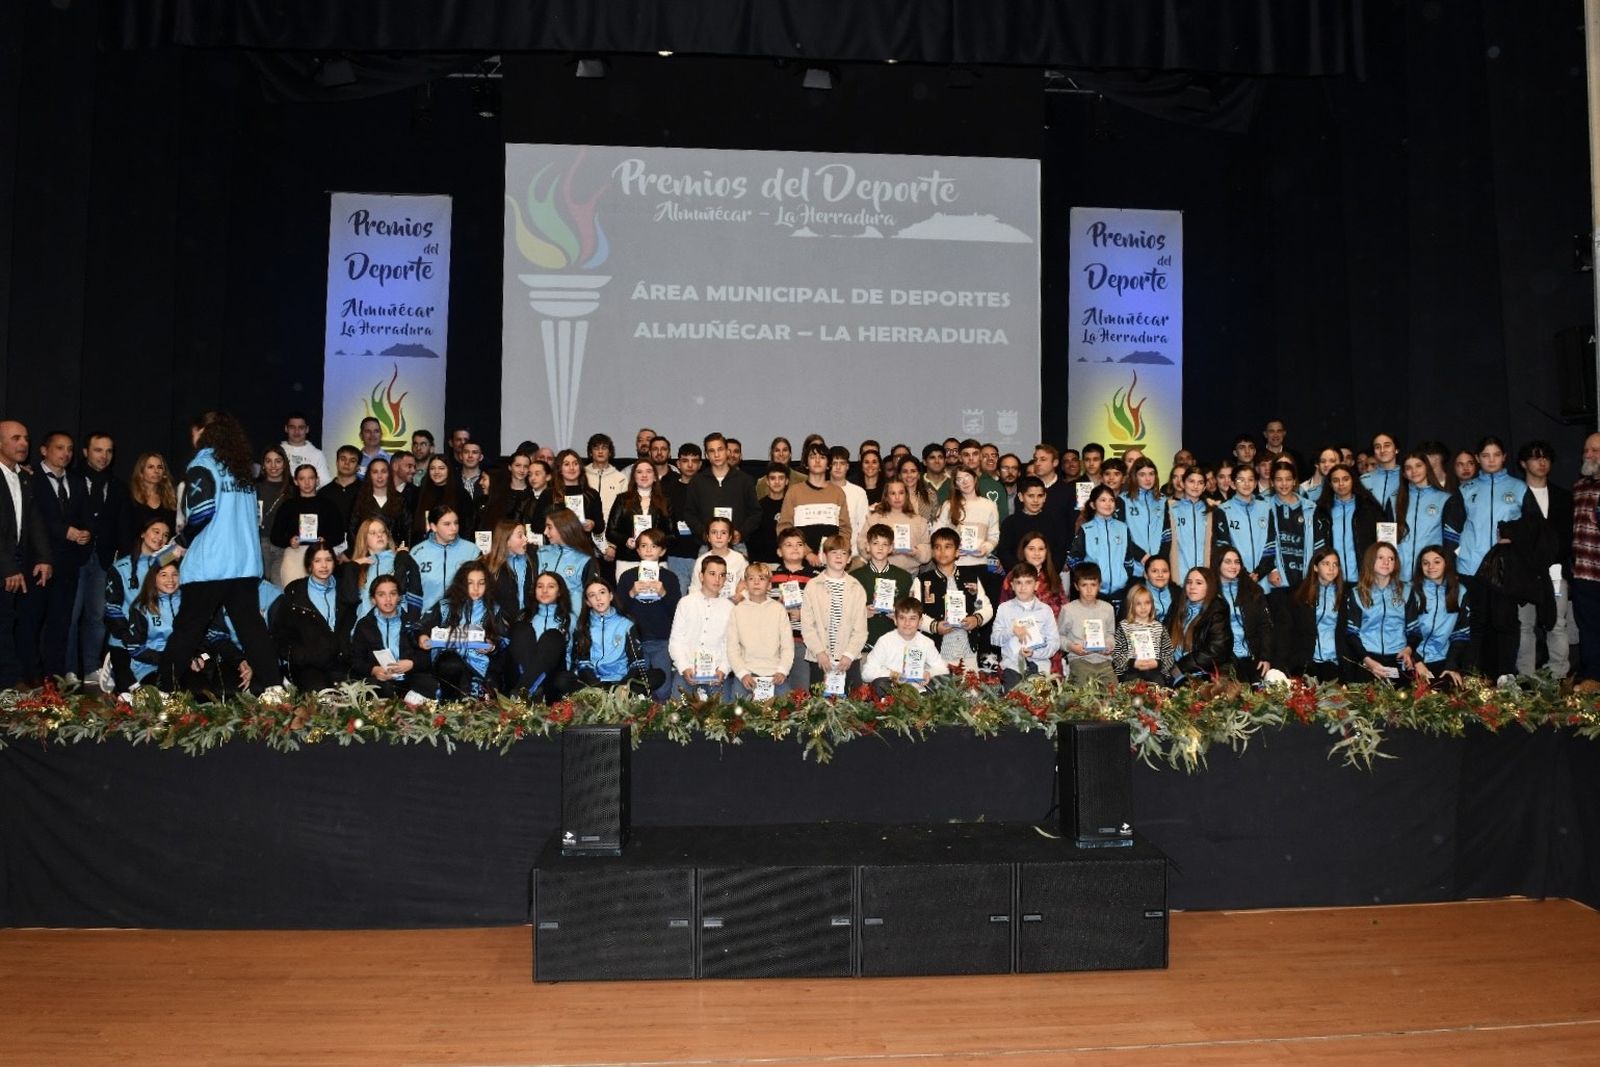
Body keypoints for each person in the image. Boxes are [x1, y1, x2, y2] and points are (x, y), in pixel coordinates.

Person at [156, 412, 281, 694]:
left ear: (204, 433)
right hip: (244, 565)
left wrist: (181, 541)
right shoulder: (241, 469)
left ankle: (163, 692)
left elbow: (201, 512)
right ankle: (275, 688)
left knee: (188, 630)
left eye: (195, 434)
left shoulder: (202, 463)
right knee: (252, 630)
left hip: (210, 564)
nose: (193, 440)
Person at [25, 430, 90, 680]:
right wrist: (65, 531)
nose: (66, 453)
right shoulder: (29, 477)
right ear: (44, 450)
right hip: (37, 561)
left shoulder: (76, 481)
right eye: (59, 448)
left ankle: (55, 677)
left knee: (61, 622)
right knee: (32, 621)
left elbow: (86, 515)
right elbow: (33, 518)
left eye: (70, 449)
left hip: (69, 563)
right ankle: (30, 675)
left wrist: (86, 533)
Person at [0, 420, 53, 688]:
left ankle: (10, 682)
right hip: (5, 565)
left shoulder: (24, 476)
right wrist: (7, 567)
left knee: (12, 623)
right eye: (16, 438)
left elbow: (34, 521)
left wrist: (44, 557)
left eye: (26, 438)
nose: (23, 444)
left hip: (18, 564)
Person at [1515, 440, 1572, 678]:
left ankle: (1558, 675)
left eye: (1546, 457)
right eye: (1536, 457)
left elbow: (1568, 534)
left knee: (1558, 623)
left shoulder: (1563, 495)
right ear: (1523, 463)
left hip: (1556, 570)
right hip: (1525, 571)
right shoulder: (1515, 494)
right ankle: (1524, 676)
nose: (1541, 462)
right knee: (1524, 626)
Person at [417, 560, 509, 698]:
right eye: (470, 583)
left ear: (487, 585)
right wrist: (422, 636)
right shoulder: (444, 607)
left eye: (481, 583)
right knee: (451, 663)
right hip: (448, 667)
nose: (476, 588)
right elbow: (420, 627)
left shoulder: (494, 610)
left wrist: (492, 647)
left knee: (493, 683)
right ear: (461, 583)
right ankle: (454, 701)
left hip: (481, 668)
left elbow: (504, 640)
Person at [69, 431, 120, 681]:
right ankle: (68, 670)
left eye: (109, 451)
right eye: (98, 450)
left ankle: (91, 668)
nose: (104, 456)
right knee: (71, 614)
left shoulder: (116, 484)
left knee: (97, 616)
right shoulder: (71, 479)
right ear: (86, 452)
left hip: (103, 558)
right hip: (74, 557)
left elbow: (121, 524)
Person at [273, 544, 351, 691]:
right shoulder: (295, 592)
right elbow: (280, 634)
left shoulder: (345, 590)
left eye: (328, 560)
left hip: (339, 664)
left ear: (334, 563)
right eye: (317, 561)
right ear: (309, 565)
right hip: (306, 666)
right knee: (319, 698)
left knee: (347, 698)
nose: (324, 565)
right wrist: (300, 656)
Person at [616, 527, 681, 700]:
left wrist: (663, 593)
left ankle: (661, 720)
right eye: (643, 545)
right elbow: (618, 610)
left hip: (662, 640)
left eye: (654, 546)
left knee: (663, 688)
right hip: (636, 641)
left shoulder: (669, 578)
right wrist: (631, 593)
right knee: (637, 689)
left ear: (663, 550)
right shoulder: (627, 577)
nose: (648, 550)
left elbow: (678, 611)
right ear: (637, 550)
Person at [919, 527, 992, 674]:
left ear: (957, 551)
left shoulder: (971, 577)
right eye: (937, 547)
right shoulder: (922, 580)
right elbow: (915, 614)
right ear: (932, 552)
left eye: (948, 547)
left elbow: (986, 607)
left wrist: (976, 619)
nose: (942, 551)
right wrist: (934, 626)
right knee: (939, 695)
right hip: (937, 652)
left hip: (967, 651)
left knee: (971, 694)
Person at [800, 534, 869, 692]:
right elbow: (807, 626)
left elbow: (860, 630)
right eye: (833, 552)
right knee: (819, 709)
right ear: (824, 557)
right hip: (820, 659)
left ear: (849, 558)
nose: (839, 557)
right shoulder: (812, 586)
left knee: (852, 708)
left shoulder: (856, 588)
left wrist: (849, 654)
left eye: (843, 553)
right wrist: (819, 652)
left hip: (848, 660)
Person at [571, 576, 659, 695]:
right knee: (563, 679)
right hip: (594, 682)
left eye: (602, 592)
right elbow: (583, 663)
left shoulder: (626, 624)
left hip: (621, 680)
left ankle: (618, 695)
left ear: (610, 596)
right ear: (588, 602)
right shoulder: (582, 625)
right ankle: (604, 696)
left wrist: (623, 685)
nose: (598, 598)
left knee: (657, 675)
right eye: (592, 595)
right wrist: (596, 686)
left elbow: (636, 662)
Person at [349, 574, 433, 698]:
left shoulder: (413, 623)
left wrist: (411, 664)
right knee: (379, 689)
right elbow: (356, 661)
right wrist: (374, 670)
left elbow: (428, 657)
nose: (388, 599)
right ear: (373, 599)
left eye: (393, 594)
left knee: (430, 686)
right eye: (381, 595)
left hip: (409, 678)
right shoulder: (364, 625)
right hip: (380, 681)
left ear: (399, 597)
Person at [1342, 542, 1414, 683]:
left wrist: (1408, 650)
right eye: (1380, 557)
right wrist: (1367, 660)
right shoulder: (1357, 593)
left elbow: (1415, 630)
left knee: (1401, 703)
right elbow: (1351, 633)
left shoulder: (1406, 591)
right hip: (1368, 658)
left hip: (1398, 658)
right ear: (1371, 560)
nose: (1386, 562)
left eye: (1391, 558)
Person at [668, 554, 734, 698]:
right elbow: (676, 641)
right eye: (712, 574)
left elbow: (730, 645)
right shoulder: (685, 603)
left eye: (722, 575)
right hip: (688, 670)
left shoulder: (730, 608)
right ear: (701, 576)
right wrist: (684, 667)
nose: (718, 579)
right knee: (677, 716)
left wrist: (723, 669)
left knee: (723, 717)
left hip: (717, 674)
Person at [684, 432, 760, 556]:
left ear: (727, 452)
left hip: (737, 546)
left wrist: (741, 532)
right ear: (706, 455)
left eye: (720, 449)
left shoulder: (744, 480)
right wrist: (705, 533)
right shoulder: (697, 481)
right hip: (707, 547)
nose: (717, 454)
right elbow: (689, 513)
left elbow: (756, 513)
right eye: (712, 451)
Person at [1409, 546, 1473, 690]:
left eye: (1437, 562)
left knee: (1453, 694)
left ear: (1446, 564)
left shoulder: (1460, 591)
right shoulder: (1411, 591)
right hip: (1412, 658)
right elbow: (1402, 631)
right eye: (1425, 563)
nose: (1431, 567)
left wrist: (1451, 665)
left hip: (1441, 658)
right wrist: (1416, 661)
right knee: (1414, 696)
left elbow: (1460, 633)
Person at [270, 464, 346, 586]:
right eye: (302, 478)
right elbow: (275, 536)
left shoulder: (328, 505)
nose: (307, 482)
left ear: (317, 480)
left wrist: (326, 541)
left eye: (311, 478)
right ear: (295, 481)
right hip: (295, 554)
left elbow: (339, 535)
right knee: (293, 593)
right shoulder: (288, 506)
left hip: (321, 554)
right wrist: (289, 541)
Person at [726, 562, 794, 699]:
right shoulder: (737, 611)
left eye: (761, 579)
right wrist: (742, 673)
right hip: (747, 674)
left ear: (769, 585)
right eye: (751, 579)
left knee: (791, 711)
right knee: (735, 714)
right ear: (745, 584)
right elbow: (732, 648)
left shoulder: (779, 609)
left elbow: (788, 647)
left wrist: (782, 671)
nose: (756, 582)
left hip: (775, 674)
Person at [851, 522, 921, 654]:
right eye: (875, 543)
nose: (880, 548)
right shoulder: (854, 578)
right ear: (867, 546)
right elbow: (846, 613)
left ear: (891, 548)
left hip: (895, 645)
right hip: (863, 645)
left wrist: (899, 614)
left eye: (885, 544)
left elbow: (912, 612)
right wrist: (862, 613)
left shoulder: (904, 577)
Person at [778, 443, 850, 567]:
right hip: (799, 562)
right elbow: (784, 528)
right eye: (812, 457)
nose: (817, 460)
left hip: (831, 563)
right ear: (806, 463)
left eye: (822, 457)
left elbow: (845, 530)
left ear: (828, 465)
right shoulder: (794, 492)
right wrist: (807, 553)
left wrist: (835, 554)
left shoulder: (838, 493)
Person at [339, 517, 418, 627]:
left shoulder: (401, 561)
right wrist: (352, 566)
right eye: (373, 533)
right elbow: (349, 598)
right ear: (364, 539)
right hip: (366, 632)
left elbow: (404, 591)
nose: (380, 535)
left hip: (396, 628)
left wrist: (402, 560)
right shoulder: (357, 567)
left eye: (382, 532)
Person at [1067, 485, 1135, 614]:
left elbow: (1128, 559)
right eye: (1103, 500)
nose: (1108, 504)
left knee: (1115, 631)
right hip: (1094, 593)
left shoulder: (1123, 528)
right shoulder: (1086, 529)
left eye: (1111, 500)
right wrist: (1088, 579)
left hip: (1119, 592)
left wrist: (1124, 576)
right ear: (1093, 504)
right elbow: (1073, 559)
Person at [117, 560, 183, 691]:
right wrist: (166, 659)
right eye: (163, 575)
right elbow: (135, 648)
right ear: (154, 578)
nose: (170, 579)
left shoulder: (187, 603)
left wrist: (198, 656)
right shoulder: (142, 608)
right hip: (149, 666)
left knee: (199, 692)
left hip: (181, 664)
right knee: (167, 693)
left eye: (175, 574)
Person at [862, 596, 950, 693]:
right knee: (879, 683)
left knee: (945, 680)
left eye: (912, 618)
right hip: (894, 693)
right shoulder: (884, 641)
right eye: (902, 618)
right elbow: (866, 673)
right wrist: (893, 674)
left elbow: (943, 669)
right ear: (895, 620)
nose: (907, 623)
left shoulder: (926, 642)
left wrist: (928, 673)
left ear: (920, 622)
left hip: (921, 693)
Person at [509, 571, 574, 701]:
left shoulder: (570, 619)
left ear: (560, 592)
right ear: (534, 591)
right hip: (521, 674)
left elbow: (571, 654)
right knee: (522, 629)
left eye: (550, 586)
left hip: (551, 676)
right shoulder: (523, 616)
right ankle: (527, 691)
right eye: (540, 586)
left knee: (553, 636)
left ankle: (522, 693)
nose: (544, 590)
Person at [993, 562, 1061, 687]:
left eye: (1028, 582)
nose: (1022, 587)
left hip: (1040, 667)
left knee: (1043, 703)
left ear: (1036, 585)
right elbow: (994, 639)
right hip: (1012, 667)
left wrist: (1034, 653)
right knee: (1013, 703)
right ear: (1012, 585)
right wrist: (1011, 631)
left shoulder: (1045, 610)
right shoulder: (1004, 608)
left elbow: (1054, 643)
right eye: (1018, 582)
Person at [1283, 548, 1346, 681]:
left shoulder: (1344, 595)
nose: (1331, 568)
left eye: (1335, 564)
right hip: (1306, 661)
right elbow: (1287, 631)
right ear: (1316, 567)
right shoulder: (1298, 594)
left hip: (1334, 661)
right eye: (1326, 564)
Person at [408, 504, 478, 618]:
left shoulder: (472, 551)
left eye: (456, 523)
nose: (454, 528)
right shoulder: (417, 553)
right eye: (447, 524)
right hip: (427, 620)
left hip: (462, 619)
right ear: (433, 527)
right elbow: (412, 592)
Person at [1215, 546, 1273, 682]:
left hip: (1252, 657)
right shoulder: (1209, 592)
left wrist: (1266, 657)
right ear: (1217, 563)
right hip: (1221, 661)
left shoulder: (1253, 590)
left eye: (1237, 562)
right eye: (1228, 562)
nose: (1233, 566)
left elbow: (1265, 626)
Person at [770, 528, 818, 692]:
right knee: (775, 691)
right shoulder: (771, 578)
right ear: (779, 551)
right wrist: (777, 608)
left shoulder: (814, 579)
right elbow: (763, 610)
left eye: (799, 544)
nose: (795, 548)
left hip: (801, 642)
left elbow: (820, 611)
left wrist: (803, 614)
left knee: (800, 691)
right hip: (774, 644)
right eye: (788, 545)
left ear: (805, 549)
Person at [1314, 464, 1382, 580]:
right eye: (1336, 480)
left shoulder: (1370, 508)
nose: (1341, 484)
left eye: (1345, 479)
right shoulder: (1321, 511)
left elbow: (1385, 543)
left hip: (1365, 577)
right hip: (1332, 578)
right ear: (1330, 484)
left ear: (1353, 481)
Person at [1394, 450, 1452, 581]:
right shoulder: (1394, 500)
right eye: (1408, 468)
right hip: (1400, 574)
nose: (1414, 471)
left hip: (1431, 573)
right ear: (1403, 473)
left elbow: (1451, 541)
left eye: (1418, 465)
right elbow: (1386, 539)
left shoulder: (1444, 499)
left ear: (1427, 467)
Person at [1167, 566, 1232, 682]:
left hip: (1203, 673)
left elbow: (1216, 650)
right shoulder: (1177, 606)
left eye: (1199, 583)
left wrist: (1181, 667)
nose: (1192, 587)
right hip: (1173, 670)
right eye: (1189, 582)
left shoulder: (1217, 609)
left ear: (1209, 587)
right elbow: (1163, 637)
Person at [603, 456, 671, 568]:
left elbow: (673, 534)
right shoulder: (622, 500)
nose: (644, 475)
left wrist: (656, 543)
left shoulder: (665, 501)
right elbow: (611, 532)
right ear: (634, 477)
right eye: (639, 472)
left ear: (655, 477)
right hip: (627, 559)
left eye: (648, 471)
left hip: (657, 561)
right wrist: (626, 540)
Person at [1571, 432, 1600, 682]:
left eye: (1595, 450)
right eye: (1586, 450)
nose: (1588, 455)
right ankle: (1592, 678)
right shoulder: (1579, 487)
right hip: (1584, 574)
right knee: (1588, 629)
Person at [1058, 561, 1116, 686]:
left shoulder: (1108, 608)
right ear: (1076, 586)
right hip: (1079, 660)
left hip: (1104, 661)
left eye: (1093, 585)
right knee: (1085, 694)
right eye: (1084, 585)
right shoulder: (1068, 609)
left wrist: (1110, 645)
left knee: (1114, 693)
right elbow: (1059, 637)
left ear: (1099, 585)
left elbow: (1111, 633)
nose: (1089, 590)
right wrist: (1071, 647)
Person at [1215, 464, 1274, 585]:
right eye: (1241, 480)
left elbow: (1271, 543)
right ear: (1232, 484)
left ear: (1256, 483)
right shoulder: (1223, 510)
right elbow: (1224, 546)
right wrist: (1244, 573)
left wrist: (1259, 573)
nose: (1246, 484)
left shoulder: (1266, 507)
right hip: (1235, 577)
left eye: (1250, 479)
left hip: (1263, 578)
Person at [536, 506, 601, 612]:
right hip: (543, 619)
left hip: (573, 621)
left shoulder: (584, 559)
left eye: (549, 527)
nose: (545, 532)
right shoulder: (541, 553)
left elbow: (593, 595)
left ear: (562, 527)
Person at [1112, 583, 1175, 684]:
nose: (1143, 607)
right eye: (1138, 603)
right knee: (1131, 684)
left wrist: (1157, 663)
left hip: (1155, 671)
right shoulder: (1124, 627)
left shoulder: (1159, 627)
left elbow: (1169, 655)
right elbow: (1117, 654)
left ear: (1152, 604)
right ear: (1131, 605)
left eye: (1147, 603)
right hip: (1131, 671)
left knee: (1157, 682)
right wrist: (1132, 663)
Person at [120, 451, 179, 557]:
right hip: (134, 559)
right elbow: (124, 536)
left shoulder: (171, 500)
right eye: (151, 467)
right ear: (141, 472)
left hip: (162, 562)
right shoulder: (129, 498)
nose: (156, 471)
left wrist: (166, 561)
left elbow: (173, 538)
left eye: (160, 467)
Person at [871, 477, 932, 574]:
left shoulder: (919, 521)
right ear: (886, 496)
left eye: (901, 493)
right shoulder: (875, 519)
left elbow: (927, 550)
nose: (897, 497)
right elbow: (863, 546)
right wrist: (884, 549)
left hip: (910, 575)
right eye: (893, 493)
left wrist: (916, 552)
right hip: (879, 574)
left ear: (906, 495)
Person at [347, 456, 408, 551]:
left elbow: (407, 529)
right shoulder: (360, 500)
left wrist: (402, 552)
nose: (380, 476)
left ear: (389, 474)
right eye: (375, 472)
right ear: (369, 475)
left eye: (383, 471)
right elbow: (352, 530)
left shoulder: (400, 499)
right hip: (367, 555)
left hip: (394, 554)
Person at [1121, 457, 1168, 577]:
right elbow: (1120, 535)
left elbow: (1167, 535)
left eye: (1151, 474)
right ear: (1134, 476)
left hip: (1159, 569)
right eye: (1142, 474)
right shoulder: (1123, 500)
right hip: (1135, 568)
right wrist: (1142, 556)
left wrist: (1159, 561)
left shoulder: (1163, 500)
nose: (1148, 479)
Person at [1167, 467, 1215, 581]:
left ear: (1204, 487)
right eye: (1191, 481)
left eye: (1200, 483)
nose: (1195, 486)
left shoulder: (1211, 511)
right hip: (1179, 576)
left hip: (1204, 577)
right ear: (1183, 483)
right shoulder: (1170, 508)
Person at [410, 455, 468, 547]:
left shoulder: (461, 495)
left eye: (441, 468)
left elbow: (467, 525)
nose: (436, 472)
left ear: (449, 470)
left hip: (455, 546)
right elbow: (412, 525)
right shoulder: (418, 494)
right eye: (432, 468)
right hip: (423, 546)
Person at [255, 445, 291, 582]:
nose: (273, 465)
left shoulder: (292, 490)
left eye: (278, 461)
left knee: (278, 591)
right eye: (268, 461)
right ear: (263, 465)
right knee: (260, 589)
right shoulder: (254, 488)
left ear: (284, 464)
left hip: (283, 546)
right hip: (259, 543)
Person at [695, 517, 747, 600]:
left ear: (730, 537)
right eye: (714, 532)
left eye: (723, 533)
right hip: (708, 607)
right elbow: (695, 589)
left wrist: (742, 595)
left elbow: (748, 585)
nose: (718, 536)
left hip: (733, 607)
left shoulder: (739, 559)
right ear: (708, 537)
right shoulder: (700, 561)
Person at [746, 463, 789, 563]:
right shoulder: (757, 507)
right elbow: (752, 539)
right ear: (767, 481)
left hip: (788, 562)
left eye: (781, 478)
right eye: (773, 478)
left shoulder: (792, 506)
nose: (777, 482)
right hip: (763, 563)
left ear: (787, 481)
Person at [280, 412, 332, 489]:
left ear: (307, 429)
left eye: (301, 427)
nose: (296, 431)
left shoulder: (317, 454)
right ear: (286, 429)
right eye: (292, 427)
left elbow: (325, 483)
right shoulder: (278, 452)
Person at [583, 433, 629, 518]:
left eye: (604, 448)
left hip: (611, 527)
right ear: (590, 453)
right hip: (585, 526)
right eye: (596, 448)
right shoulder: (582, 475)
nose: (600, 451)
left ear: (610, 452)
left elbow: (624, 508)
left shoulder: (620, 478)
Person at [319, 445, 362, 536]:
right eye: (343, 459)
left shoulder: (366, 491)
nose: (347, 463)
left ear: (358, 467)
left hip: (358, 543)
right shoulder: (323, 493)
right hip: (329, 543)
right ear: (337, 462)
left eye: (352, 460)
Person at [1141, 555, 1177, 624]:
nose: (1160, 575)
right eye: (1154, 571)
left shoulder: (1178, 594)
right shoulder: (1136, 595)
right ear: (1146, 575)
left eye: (1164, 571)